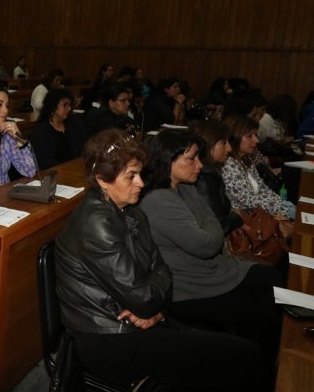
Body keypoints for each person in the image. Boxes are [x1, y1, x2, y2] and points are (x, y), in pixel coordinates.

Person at [55, 129, 263, 391]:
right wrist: (151, 301)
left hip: (140, 323)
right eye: (131, 176)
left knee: (240, 354)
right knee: (241, 357)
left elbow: (162, 271)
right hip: (109, 339)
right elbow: (145, 294)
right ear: (102, 180)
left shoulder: (131, 211)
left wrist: (157, 310)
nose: (141, 183)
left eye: (140, 174)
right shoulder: (96, 224)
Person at [140, 129, 284, 381]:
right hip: (189, 286)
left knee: (272, 277)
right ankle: (262, 373)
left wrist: (211, 229)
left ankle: (269, 363)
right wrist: (212, 229)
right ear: (168, 160)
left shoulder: (185, 188)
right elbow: (207, 243)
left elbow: (211, 227)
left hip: (211, 270)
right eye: (191, 158)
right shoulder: (158, 201)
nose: (199, 165)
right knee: (260, 312)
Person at [221, 113, 296, 219]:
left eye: (256, 135)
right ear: (234, 137)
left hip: (261, 212)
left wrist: (282, 203)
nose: (256, 140)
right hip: (248, 218)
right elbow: (250, 201)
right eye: (249, 136)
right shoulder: (229, 166)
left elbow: (263, 189)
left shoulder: (246, 159)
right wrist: (286, 210)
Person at [189, 119, 243, 235]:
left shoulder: (209, 171)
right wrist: (238, 216)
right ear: (208, 143)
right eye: (223, 143)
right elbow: (217, 226)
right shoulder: (203, 178)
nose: (229, 148)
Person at [29, 88, 86, 169]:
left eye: (69, 105)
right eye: (65, 105)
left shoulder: (74, 124)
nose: (69, 108)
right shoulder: (41, 131)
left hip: (76, 168)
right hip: (55, 173)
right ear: (53, 105)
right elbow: (43, 161)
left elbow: (86, 146)